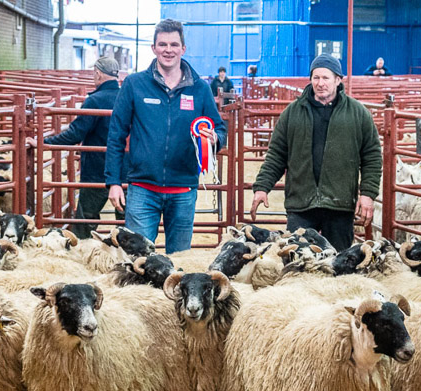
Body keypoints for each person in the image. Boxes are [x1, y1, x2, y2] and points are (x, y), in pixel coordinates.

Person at [105, 19, 227, 254]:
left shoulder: (200, 88)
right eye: (162, 44)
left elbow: (220, 129)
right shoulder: (134, 84)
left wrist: (213, 139)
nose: (168, 50)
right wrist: (113, 182)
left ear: (183, 48)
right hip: (142, 188)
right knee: (136, 261)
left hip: (183, 189)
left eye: (173, 44)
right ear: (153, 48)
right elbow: (116, 134)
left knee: (179, 263)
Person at [250, 53, 381, 252]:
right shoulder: (292, 113)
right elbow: (277, 154)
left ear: (338, 80)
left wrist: (368, 194)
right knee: (298, 261)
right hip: (301, 204)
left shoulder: (358, 114)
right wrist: (262, 187)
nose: (320, 83)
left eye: (326, 78)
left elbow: (371, 157)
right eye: (316, 77)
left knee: (338, 262)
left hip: (339, 204)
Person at [45, 56, 123, 238]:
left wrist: (45, 143)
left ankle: (82, 253)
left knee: (85, 218)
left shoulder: (94, 101)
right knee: (125, 222)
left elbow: (75, 134)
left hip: (97, 169)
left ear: (97, 73)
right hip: (125, 168)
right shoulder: (126, 98)